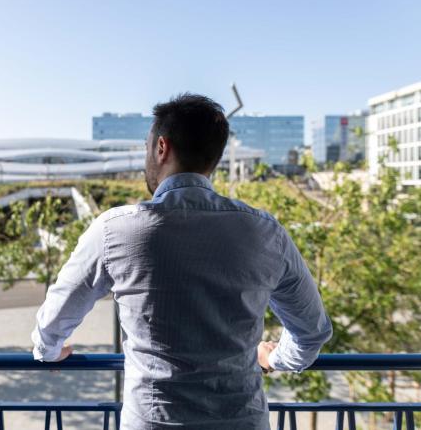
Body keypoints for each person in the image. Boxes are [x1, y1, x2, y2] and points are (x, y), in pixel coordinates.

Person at [31, 93, 333, 429]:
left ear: (161, 148)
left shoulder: (115, 229)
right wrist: (275, 357)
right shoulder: (264, 232)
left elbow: (55, 317)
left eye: (147, 149)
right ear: (215, 157)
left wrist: (50, 350)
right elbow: (312, 332)